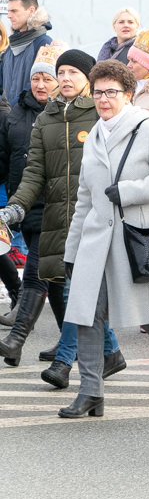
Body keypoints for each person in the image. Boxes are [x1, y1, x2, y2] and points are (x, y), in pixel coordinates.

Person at [60, 59, 149, 418]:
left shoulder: (147, 129)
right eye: (99, 92)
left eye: (111, 92)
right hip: (94, 241)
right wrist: (72, 251)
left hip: (136, 239)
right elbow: (85, 198)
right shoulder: (94, 133)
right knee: (86, 314)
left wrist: (130, 190)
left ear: (128, 94)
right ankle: (91, 392)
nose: (104, 99)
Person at [0, 50, 124, 388]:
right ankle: (111, 352)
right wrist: (15, 208)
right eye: (62, 71)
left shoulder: (101, 114)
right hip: (57, 217)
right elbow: (34, 172)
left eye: (72, 72)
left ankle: (64, 362)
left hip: (96, 218)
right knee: (69, 290)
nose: (65, 78)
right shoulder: (47, 118)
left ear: (88, 78)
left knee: (75, 292)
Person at [0, 45, 62, 365]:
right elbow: (4, 158)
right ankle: (84, 348)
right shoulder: (16, 114)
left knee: (37, 271)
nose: (40, 84)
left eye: (47, 79)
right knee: (56, 280)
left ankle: (16, 338)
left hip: (55, 203)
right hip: (25, 201)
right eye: (36, 78)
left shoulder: (63, 114)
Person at [1, 0, 52, 107]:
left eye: (14, 11)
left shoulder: (44, 44)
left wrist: (12, 110)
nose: (9, 15)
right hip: (7, 120)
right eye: (8, 11)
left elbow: (39, 87)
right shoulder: (11, 46)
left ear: (31, 11)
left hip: (29, 119)